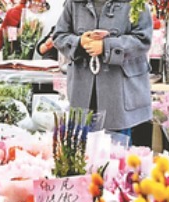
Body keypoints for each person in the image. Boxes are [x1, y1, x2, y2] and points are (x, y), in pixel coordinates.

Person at [53, 0, 153, 135]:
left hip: (120, 95)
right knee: (82, 145)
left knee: (117, 146)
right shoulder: (73, 3)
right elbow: (59, 36)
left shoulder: (135, 3)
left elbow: (143, 39)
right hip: (82, 92)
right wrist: (80, 42)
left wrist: (107, 46)